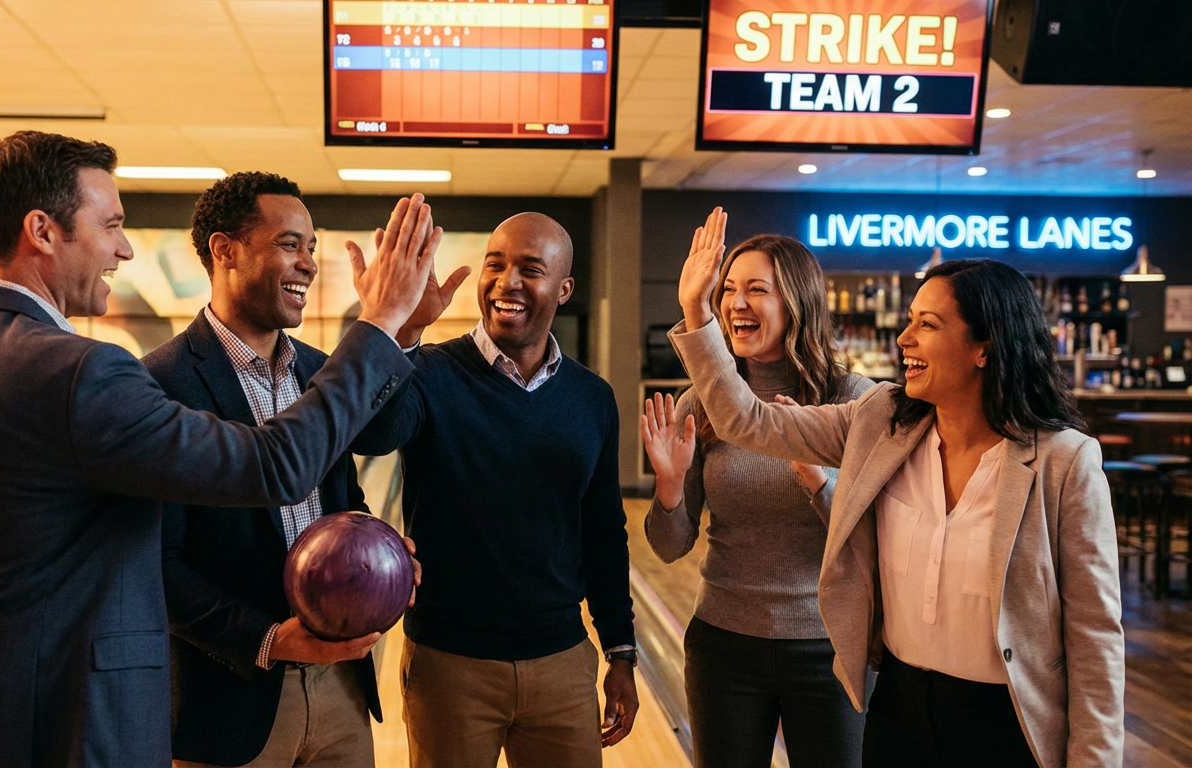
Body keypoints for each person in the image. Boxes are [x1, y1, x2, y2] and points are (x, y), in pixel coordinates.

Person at [0, 130, 438, 767]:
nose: (124, 246)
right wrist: (379, 323)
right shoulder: (84, 373)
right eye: (110, 224)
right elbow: (274, 465)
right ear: (43, 230)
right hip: (53, 727)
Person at [659, 207, 1123, 768]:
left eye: (927, 324)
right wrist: (694, 310)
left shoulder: (1065, 463)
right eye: (909, 319)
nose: (904, 337)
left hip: (1008, 719)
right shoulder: (883, 421)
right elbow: (745, 420)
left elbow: (1095, 636)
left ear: (985, 347)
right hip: (899, 703)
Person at [143, 171, 464, 768]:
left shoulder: (320, 371)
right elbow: (155, 565)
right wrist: (266, 640)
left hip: (341, 689)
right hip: (232, 696)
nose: (309, 264)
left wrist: (379, 551)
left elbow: (382, 439)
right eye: (290, 244)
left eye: (312, 247)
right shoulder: (161, 383)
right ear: (225, 250)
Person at [353, 212, 638, 768]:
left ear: (564, 288)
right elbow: (373, 436)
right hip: (449, 662)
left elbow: (604, 531)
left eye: (530, 269)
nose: (507, 282)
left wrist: (621, 652)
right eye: (495, 264)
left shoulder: (593, 398)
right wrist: (403, 334)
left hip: (561, 659)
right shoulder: (429, 373)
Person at [641, 234, 872, 768]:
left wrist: (818, 481)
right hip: (724, 646)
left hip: (830, 648)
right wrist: (670, 491)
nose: (736, 303)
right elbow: (670, 548)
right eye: (728, 289)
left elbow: (871, 541)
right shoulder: (700, 403)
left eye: (756, 290)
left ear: (797, 301)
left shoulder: (853, 401)